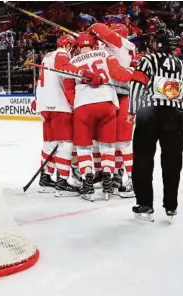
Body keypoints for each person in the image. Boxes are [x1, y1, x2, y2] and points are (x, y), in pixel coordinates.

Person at [127, 29, 183, 222]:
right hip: (174, 116)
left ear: (157, 43)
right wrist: (179, 110)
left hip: (149, 114)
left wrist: (132, 111)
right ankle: (171, 206)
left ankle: (145, 204)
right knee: (173, 161)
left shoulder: (148, 60)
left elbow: (136, 86)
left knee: (142, 159)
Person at [68, 33, 133, 201]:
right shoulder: (105, 54)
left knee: (83, 148)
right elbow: (120, 75)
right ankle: (107, 185)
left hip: (83, 106)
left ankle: (88, 186)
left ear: (78, 47)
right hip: (107, 103)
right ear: (95, 44)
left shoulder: (72, 62)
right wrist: (133, 72)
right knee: (108, 146)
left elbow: (68, 90)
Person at [35, 34, 102, 196]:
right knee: (66, 143)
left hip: (44, 104)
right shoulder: (61, 53)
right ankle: (62, 181)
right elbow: (63, 67)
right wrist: (83, 72)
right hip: (58, 105)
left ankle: (46, 177)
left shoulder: (47, 56)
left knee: (51, 143)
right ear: (69, 46)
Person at [88, 22, 136, 198]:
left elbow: (100, 29)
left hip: (121, 93)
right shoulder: (114, 47)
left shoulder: (121, 42)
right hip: (108, 94)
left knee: (121, 140)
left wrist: (91, 29)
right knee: (107, 138)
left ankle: (122, 175)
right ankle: (108, 172)